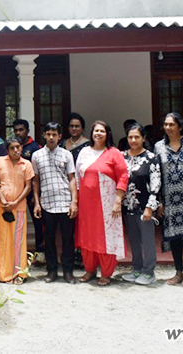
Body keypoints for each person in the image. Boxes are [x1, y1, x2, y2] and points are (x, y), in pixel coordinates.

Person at [75, 120, 129, 286]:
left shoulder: (114, 153)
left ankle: (106, 273)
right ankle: (90, 270)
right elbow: (77, 177)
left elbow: (123, 176)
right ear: (92, 133)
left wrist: (118, 200)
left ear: (107, 134)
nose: (98, 134)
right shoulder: (84, 152)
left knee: (106, 236)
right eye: (96, 131)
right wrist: (76, 201)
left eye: (102, 131)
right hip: (86, 203)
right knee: (87, 235)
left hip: (107, 203)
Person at [154, 112, 183, 287]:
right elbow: (156, 175)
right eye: (165, 125)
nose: (168, 128)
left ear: (180, 126)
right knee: (174, 237)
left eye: (171, 125)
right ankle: (178, 272)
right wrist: (159, 201)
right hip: (170, 200)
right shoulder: (159, 146)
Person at [31, 122, 78, 284]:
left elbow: (72, 179)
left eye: (54, 134)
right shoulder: (36, 156)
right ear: (44, 135)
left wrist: (74, 202)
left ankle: (68, 271)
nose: (51, 137)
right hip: (47, 204)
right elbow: (35, 181)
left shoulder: (66, 155)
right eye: (48, 134)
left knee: (67, 239)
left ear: (59, 136)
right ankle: (51, 271)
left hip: (65, 203)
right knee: (49, 239)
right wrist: (36, 203)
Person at [121, 123, 161, 286]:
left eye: (137, 137)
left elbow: (156, 185)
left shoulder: (151, 158)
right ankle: (136, 268)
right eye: (130, 137)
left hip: (145, 206)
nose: (133, 140)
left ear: (143, 138)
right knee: (134, 239)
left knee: (147, 239)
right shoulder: (122, 156)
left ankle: (148, 271)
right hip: (127, 206)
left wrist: (150, 207)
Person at [0, 137, 35, 284]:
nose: (16, 150)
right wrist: (3, 200)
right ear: (7, 150)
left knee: (19, 241)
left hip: (19, 207)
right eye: (12, 148)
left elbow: (28, 187)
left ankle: (19, 274)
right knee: (4, 240)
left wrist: (15, 202)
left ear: (22, 148)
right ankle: (4, 274)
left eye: (18, 147)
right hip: (2, 207)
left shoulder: (26, 164)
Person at [13, 119, 43, 261]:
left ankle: (41, 251)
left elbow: (39, 172)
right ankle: (14, 252)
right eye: (16, 130)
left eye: (21, 130)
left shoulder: (36, 147)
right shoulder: (11, 147)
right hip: (14, 190)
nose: (18, 132)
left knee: (38, 221)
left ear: (27, 131)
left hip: (32, 190)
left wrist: (36, 194)